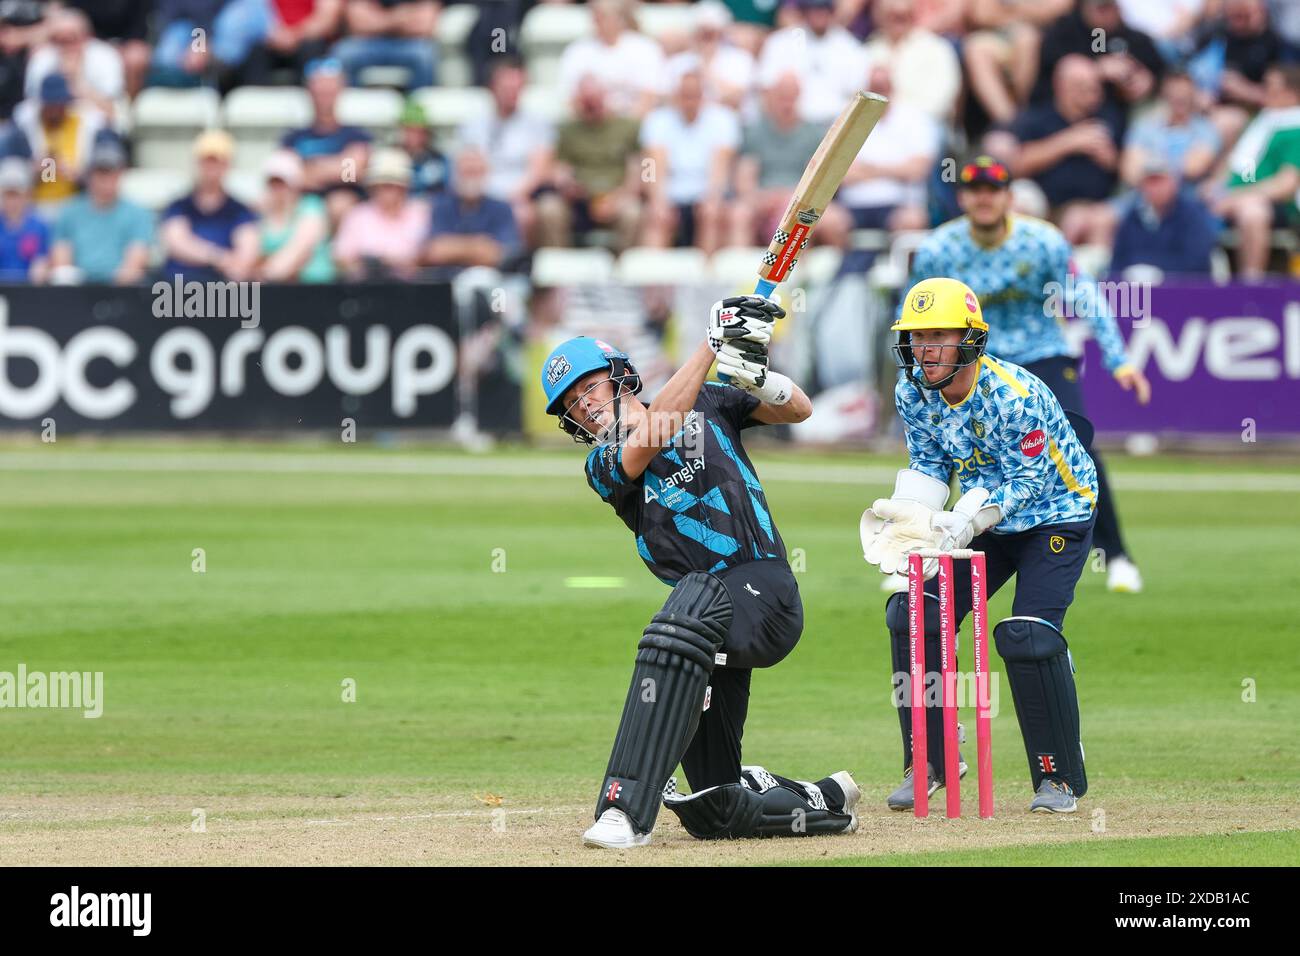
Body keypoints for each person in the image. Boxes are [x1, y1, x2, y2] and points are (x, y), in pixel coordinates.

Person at [539, 296, 859, 847]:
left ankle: (624, 810)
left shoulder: (709, 400)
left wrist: (755, 375)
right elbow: (653, 435)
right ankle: (823, 799)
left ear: (620, 378)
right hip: (708, 627)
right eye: (570, 404)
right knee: (715, 804)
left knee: (683, 607)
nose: (584, 407)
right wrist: (709, 346)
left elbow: (800, 409)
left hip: (762, 592)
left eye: (589, 388)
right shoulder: (603, 465)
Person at [862, 276, 1096, 813]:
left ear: (970, 339)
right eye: (916, 337)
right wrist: (908, 519)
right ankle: (931, 759)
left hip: (1055, 516)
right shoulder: (912, 389)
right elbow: (929, 463)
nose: (924, 350)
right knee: (911, 611)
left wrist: (967, 519)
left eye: (938, 336)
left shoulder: (1016, 397)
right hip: (983, 522)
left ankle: (1057, 777)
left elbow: (1028, 483)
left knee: (1026, 636)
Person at [905, 155, 1151, 593]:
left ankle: (1116, 555)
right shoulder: (939, 249)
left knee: (1078, 446)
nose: (984, 198)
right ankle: (922, 553)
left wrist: (1120, 360)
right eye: (975, 189)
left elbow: (1086, 296)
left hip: (1041, 356)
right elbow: (912, 313)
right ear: (962, 196)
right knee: (954, 449)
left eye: (993, 189)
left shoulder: (1042, 241)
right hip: (973, 362)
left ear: (1008, 196)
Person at [48, 136, 153, 284]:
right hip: (77, 293)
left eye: (112, 172)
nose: (106, 179)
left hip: (121, 293)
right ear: (90, 174)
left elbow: (135, 264)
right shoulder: (69, 212)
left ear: (121, 173)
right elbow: (62, 261)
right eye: (101, 172)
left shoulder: (138, 214)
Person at [159, 129, 259, 282]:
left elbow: (247, 253)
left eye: (217, 161)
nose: (211, 168)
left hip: (223, 294)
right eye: (207, 161)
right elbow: (177, 242)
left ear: (228, 165)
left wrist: (233, 265)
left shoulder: (240, 211)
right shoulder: (179, 206)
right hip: (176, 292)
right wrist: (219, 258)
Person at [1110, 156, 1219, 275]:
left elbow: (1197, 263)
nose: (1155, 188)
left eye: (1160, 181)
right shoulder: (1133, 217)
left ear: (1175, 183)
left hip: (1182, 290)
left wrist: (1155, 270)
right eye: (1150, 182)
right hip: (1139, 289)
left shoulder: (1193, 215)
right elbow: (1117, 262)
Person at [334, 146, 427, 280]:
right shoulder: (358, 215)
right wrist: (371, 265)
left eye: (393, 184)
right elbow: (342, 258)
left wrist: (392, 262)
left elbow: (427, 257)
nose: (388, 190)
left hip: (412, 288)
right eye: (383, 184)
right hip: (366, 288)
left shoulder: (421, 213)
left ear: (404, 186)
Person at [255, 148, 334, 282]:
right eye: (273, 183)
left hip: (314, 288)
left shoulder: (311, 208)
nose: (277, 189)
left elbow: (297, 252)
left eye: (282, 183)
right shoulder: (262, 214)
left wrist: (262, 275)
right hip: (277, 290)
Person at [331, 0, 438, 89]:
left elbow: (426, 25)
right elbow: (358, 22)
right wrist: (399, 18)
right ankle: (353, 111)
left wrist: (378, 18)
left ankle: (417, 110)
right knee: (344, 53)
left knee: (425, 55)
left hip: (410, 43)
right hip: (368, 43)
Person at [0, 155, 48, 282]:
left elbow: (42, 260)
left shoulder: (39, 226)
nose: (12, 201)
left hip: (28, 291)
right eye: (8, 195)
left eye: (16, 195)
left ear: (27, 195)